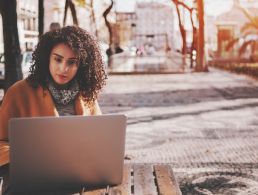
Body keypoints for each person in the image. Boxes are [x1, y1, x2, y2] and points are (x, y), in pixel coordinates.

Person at [0, 26, 107, 141]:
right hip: (32, 160)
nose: (63, 68)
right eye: (58, 59)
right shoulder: (18, 92)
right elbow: (1, 143)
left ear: (82, 65)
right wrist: (26, 156)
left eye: (71, 62)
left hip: (80, 159)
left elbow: (98, 140)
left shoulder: (87, 96)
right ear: (47, 58)